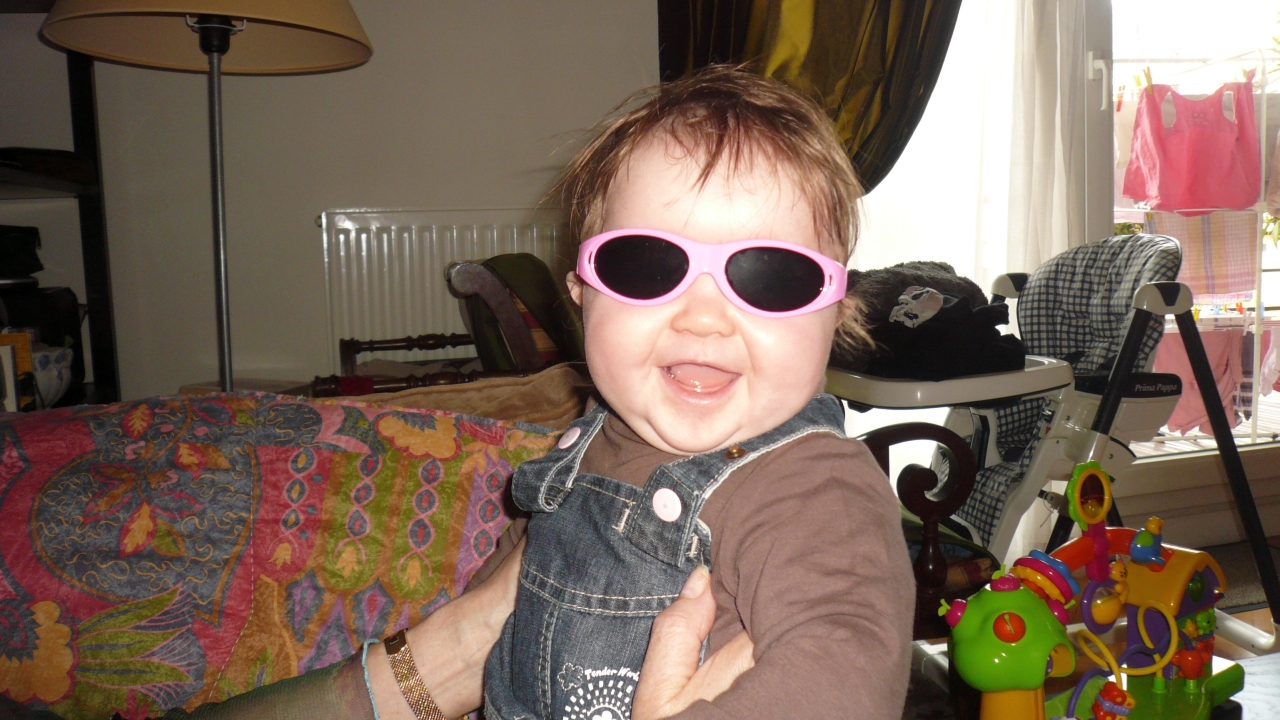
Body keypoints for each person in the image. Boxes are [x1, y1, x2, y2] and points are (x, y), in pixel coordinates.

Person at [481, 66, 914, 720]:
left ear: (837, 314)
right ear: (581, 296)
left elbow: (845, 667)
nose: (704, 318)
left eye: (772, 276)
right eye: (647, 266)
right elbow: (508, 594)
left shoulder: (816, 492)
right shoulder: (591, 440)